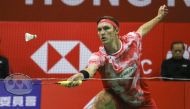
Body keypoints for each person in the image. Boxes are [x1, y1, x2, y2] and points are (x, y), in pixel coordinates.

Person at [58, 5, 168, 109]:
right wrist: (81, 75)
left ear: (116, 30)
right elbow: (91, 69)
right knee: (103, 99)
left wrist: (159, 17)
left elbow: (142, 29)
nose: (102, 32)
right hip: (117, 101)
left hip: (142, 102)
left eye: (106, 28)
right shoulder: (99, 56)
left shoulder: (131, 42)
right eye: (99, 30)